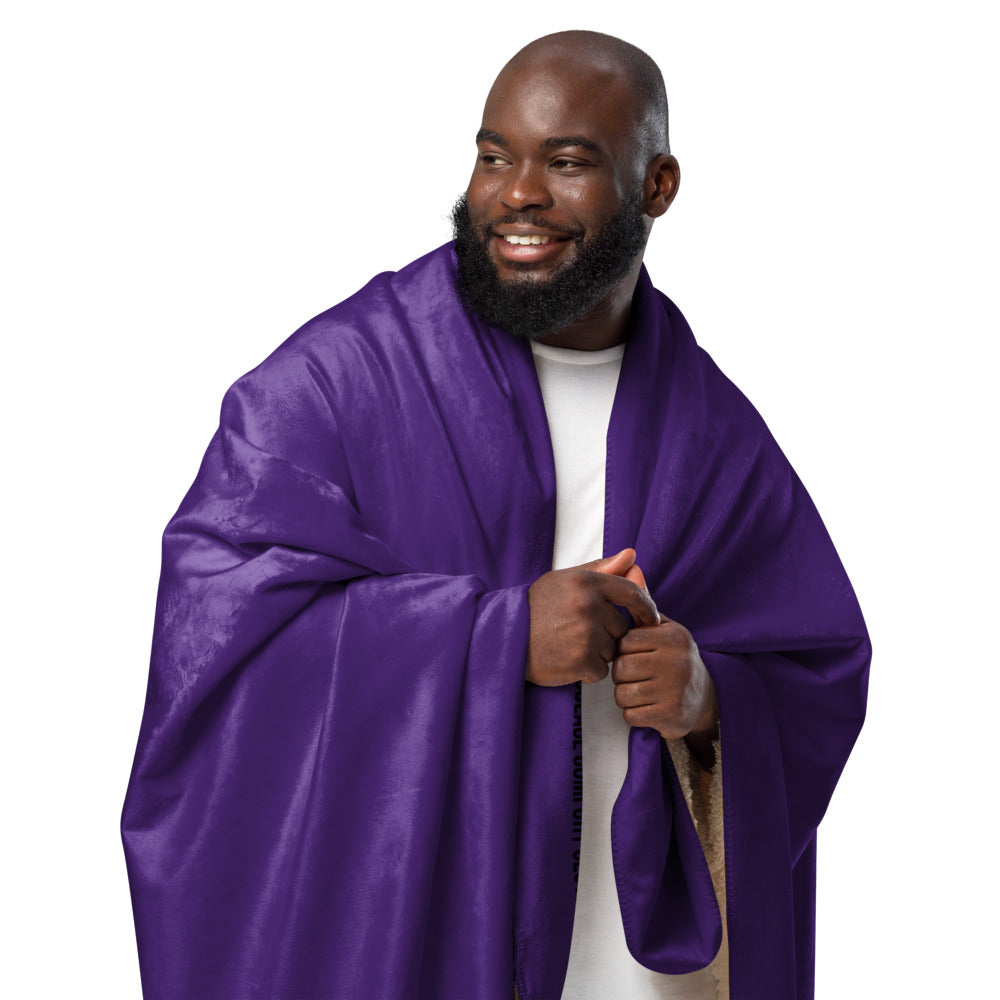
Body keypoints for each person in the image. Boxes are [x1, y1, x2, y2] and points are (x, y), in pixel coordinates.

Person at [122, 29, 870, 1000]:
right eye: (492, 156)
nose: (517, 193)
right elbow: (212, 637)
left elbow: (815, 669)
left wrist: (707, 700)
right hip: (414, 942)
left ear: (656, 186)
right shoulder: (339, 383)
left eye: (567, 162)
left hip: (633, 965)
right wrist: (498, 636)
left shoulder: (713, 430)